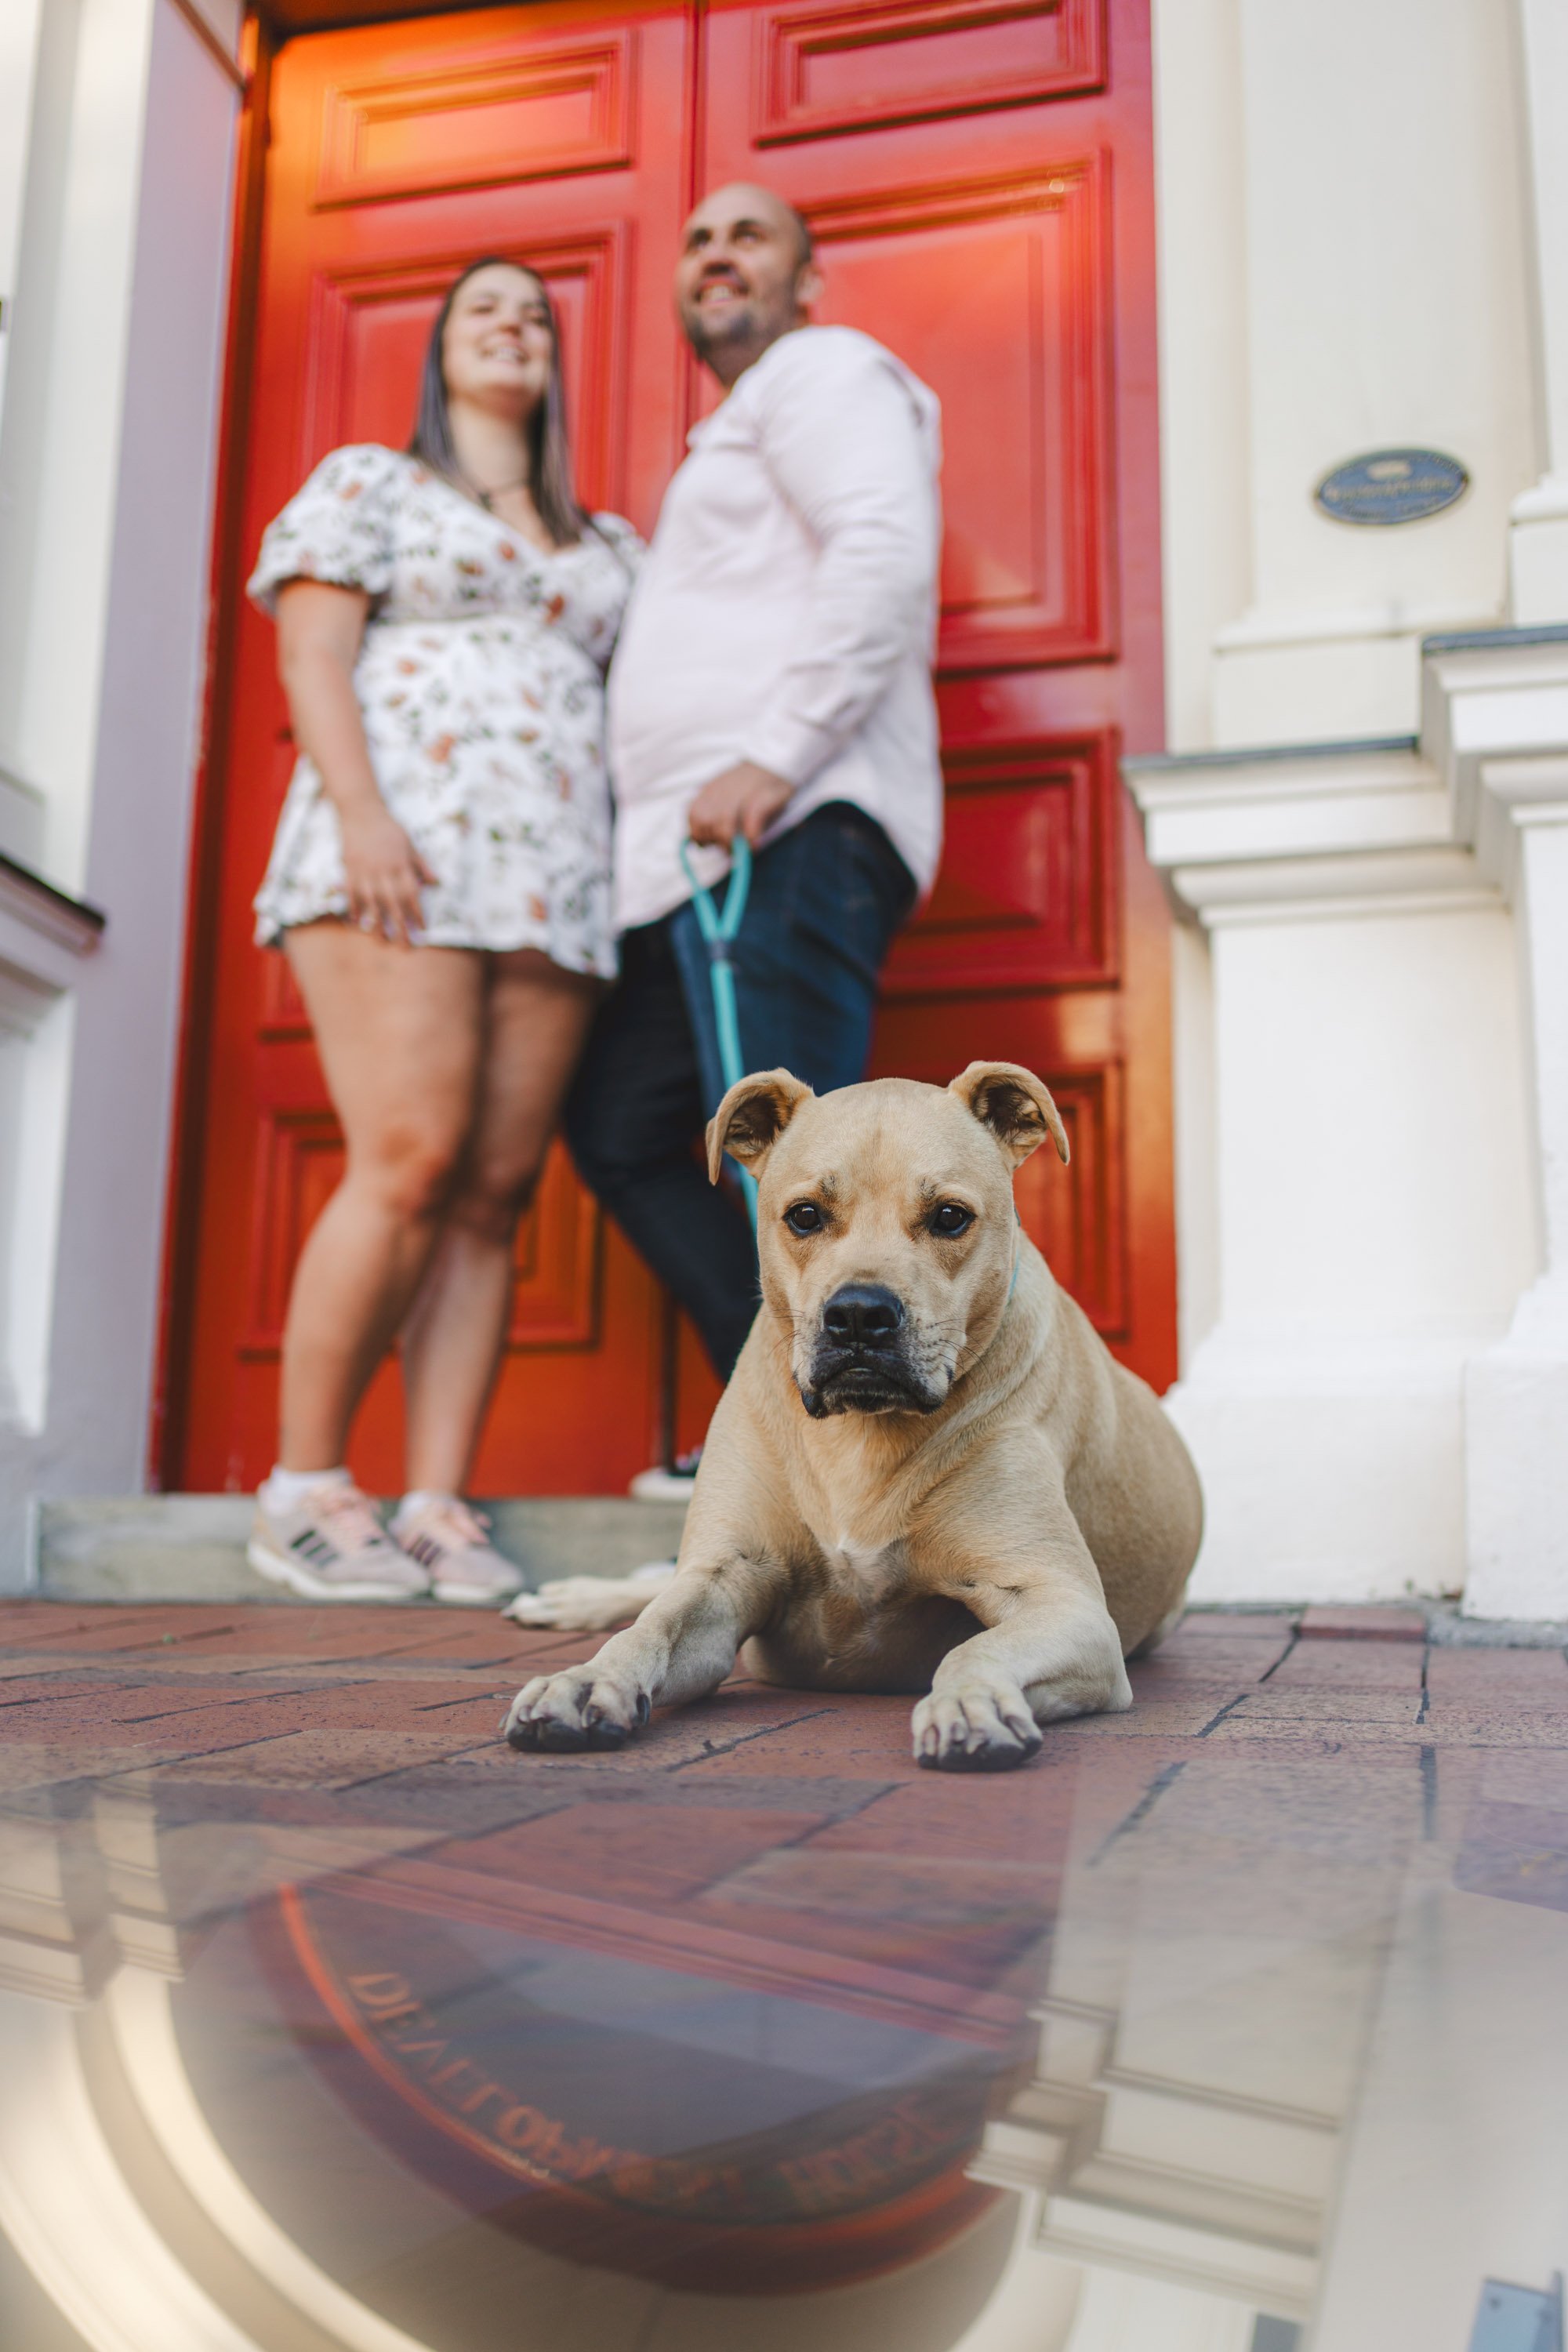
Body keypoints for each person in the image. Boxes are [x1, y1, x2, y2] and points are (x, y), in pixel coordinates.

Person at [245, 257, 640, 1603]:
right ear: (440, 345)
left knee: (491, 1195)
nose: (513, 325)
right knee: (407, 1158)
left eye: (536, 312)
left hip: (554, 887)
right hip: (400, 856)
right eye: (485, 307)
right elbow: (310, 655)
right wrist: (362, 816)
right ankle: (301, 1487)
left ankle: (434, 1504)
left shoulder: (608, 544)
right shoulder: (371, 482)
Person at [564, 183, 943, 1491]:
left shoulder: (823, 371)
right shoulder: (729, 434)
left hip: (787, 830)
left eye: (750, 235)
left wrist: (775, 755)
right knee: (628, 1124)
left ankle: (833, 1469)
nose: (716, 255)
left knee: (805, 1164)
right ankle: (779, 1422)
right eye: (697, 239)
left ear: (807, 277)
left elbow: (884, 549)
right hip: (700, 864)